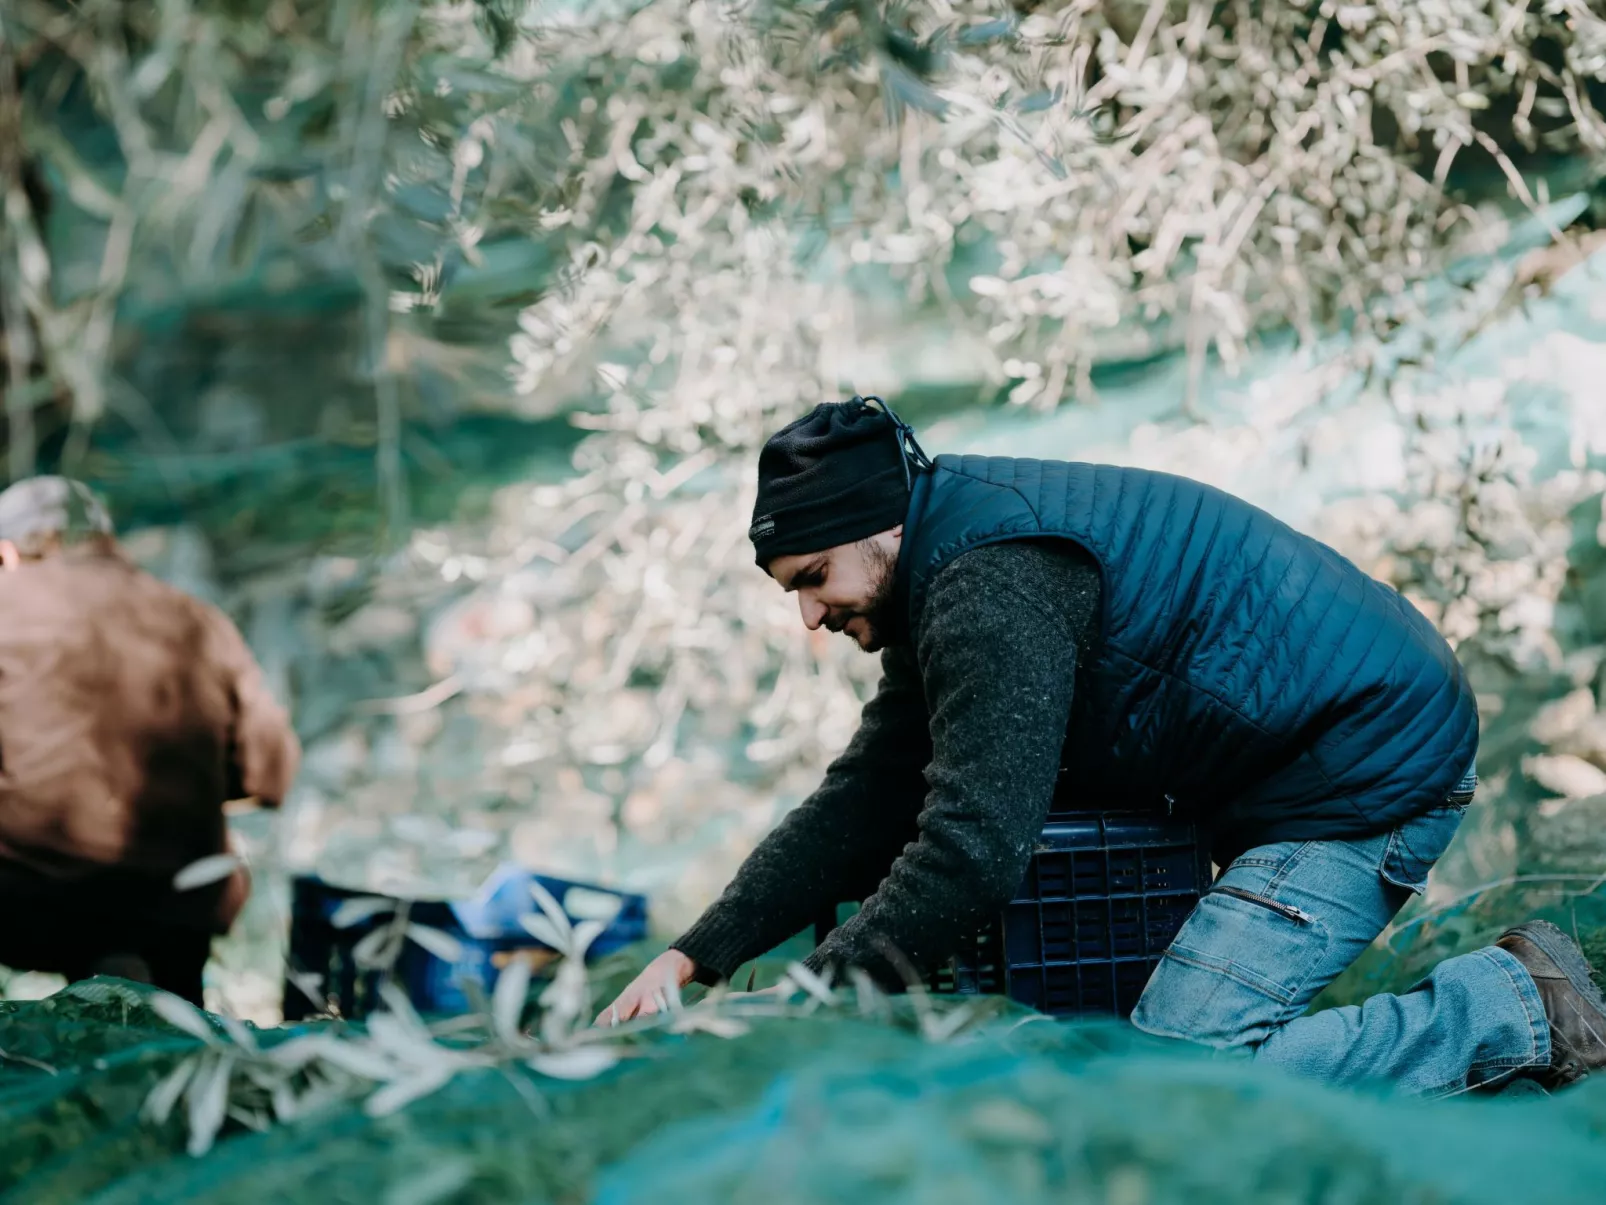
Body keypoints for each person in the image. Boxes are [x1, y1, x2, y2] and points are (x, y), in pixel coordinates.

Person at [600, 397, 1606, 1095]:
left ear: (882, 532)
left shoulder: (986, 587)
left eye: (814, 577)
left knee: (1185, 1071)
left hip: (1365, 772)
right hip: (1290, 771)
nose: (811, 618)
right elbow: (868, 794)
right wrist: (700, 951)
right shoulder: (947, 563)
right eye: (792, 590)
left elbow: (971, 854)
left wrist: (811, 1000)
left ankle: (1511, 1003)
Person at [0, 477, 299, 1005]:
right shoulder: (200, 621)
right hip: (171, 904)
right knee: (168, 990)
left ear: (11, 549)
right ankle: (167, 1037)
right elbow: (268, 776)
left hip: (25, 896)